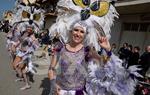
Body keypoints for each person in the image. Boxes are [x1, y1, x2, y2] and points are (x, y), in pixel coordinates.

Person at [48, 0, 141, 95]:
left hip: (78, 92)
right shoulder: (60, 47)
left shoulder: (87, 50)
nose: (78, 34)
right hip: (59, 91)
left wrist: (108, 50)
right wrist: (53, 84)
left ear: (85, 34)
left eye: (81, 32)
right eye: (76, 30)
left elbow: (104, 63)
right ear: (71, 31)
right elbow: (51, 69)